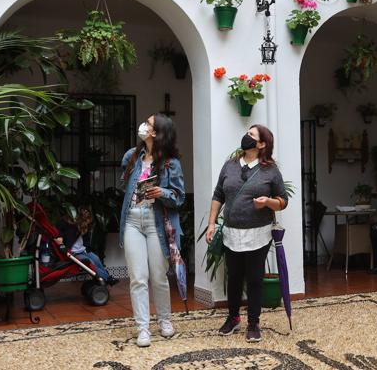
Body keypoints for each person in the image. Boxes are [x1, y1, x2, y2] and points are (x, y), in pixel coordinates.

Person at [205, 124, 288, 343]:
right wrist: (212, 223)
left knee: (254, 279)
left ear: (262, 144)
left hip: (258, 234)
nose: (246, 137)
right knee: (234, 278)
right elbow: (218, 195)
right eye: (247, 133)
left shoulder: (270, 170)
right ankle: (233, 317)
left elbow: (282, 201)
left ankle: (253, 322)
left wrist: (268, 202)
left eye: (252, 135)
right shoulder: (229, 166)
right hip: (232, 233)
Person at [120, 113, 185, 347]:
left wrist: (162, 192)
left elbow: (179, 198)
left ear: (156, 133)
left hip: (156, 223)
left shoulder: (171, 163)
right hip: (132, 222)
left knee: (158, 276)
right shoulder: (132, 156)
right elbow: (124, 184)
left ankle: (164, 320)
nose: (143, 126)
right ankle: (143, 328)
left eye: (147, 124)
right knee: (138, 278)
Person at [54, 207, 118, 286]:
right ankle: (108, 278)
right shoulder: (67, 224)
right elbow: (58, 230)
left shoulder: (84, 227)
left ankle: (103, 277)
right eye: (87, 221)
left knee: (96, 259)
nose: (89, 223)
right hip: (74, 253)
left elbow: (86, 241)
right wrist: (61, 240)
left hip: (83, 250)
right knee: (89, 262)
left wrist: (88, 249)